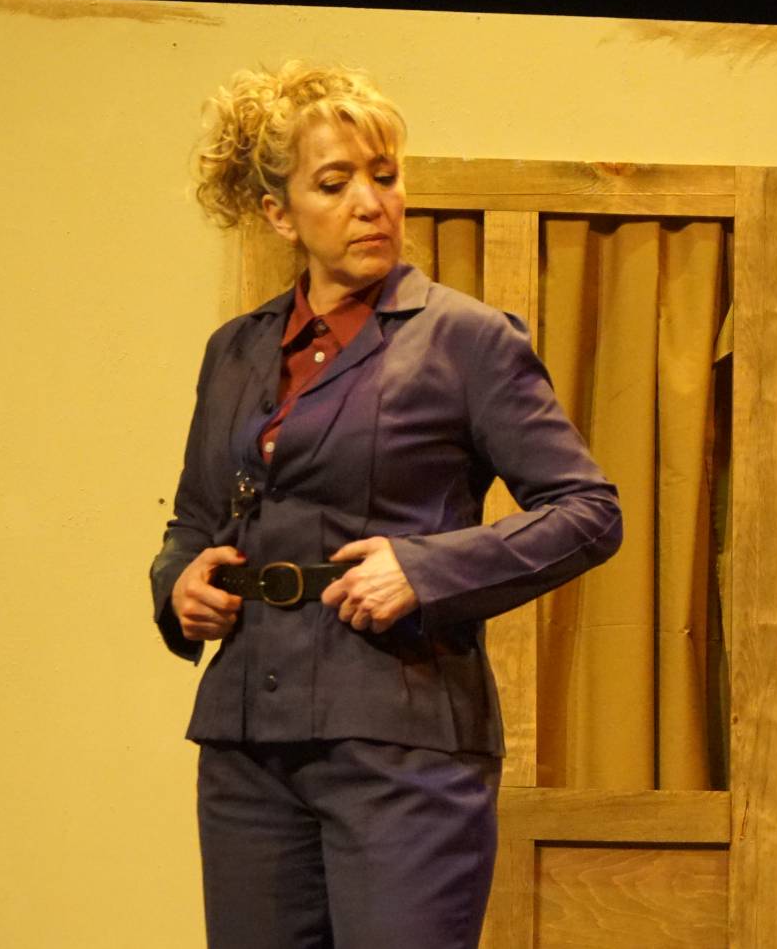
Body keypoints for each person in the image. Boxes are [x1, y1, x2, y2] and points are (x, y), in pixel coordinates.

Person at [149, 62, 623, 948]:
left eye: (385, 175)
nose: (371, 203)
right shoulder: (236, 352)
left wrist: (426, 568)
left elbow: (588, 509)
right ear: (279, 214)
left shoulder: (464, 340)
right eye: (335, 183)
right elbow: (193, 521)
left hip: (403, 746)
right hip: (248, 745)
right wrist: (179, 585)